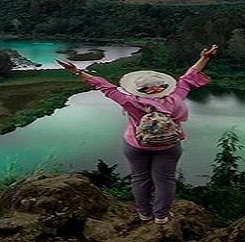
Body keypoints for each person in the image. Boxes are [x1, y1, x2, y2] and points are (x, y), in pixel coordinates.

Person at [57, 44, 218, 224]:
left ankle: (144, 213)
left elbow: (105, 87)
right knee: (165, 180)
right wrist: (205, 57)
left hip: (136, 145)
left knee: (140, 178)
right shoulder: (176, 98)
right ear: (164, 86)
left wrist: (77, 71)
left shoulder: (130, 101)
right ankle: (161, 216)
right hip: (169, 145)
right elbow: (188, 77)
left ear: (139, 89)